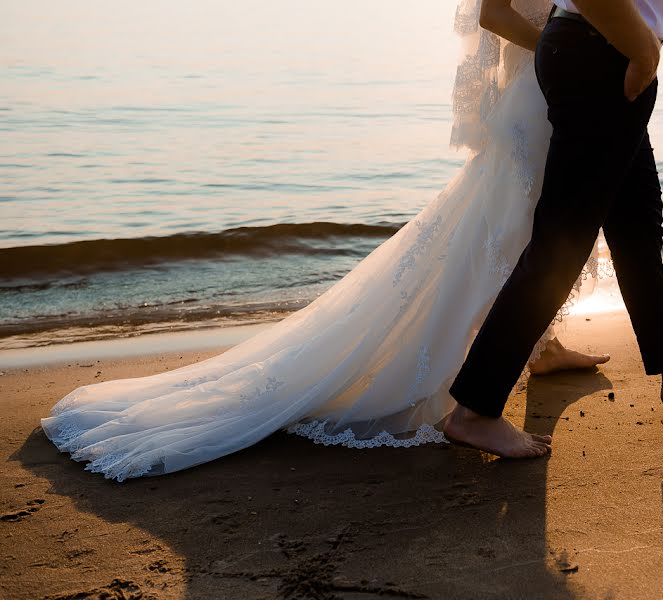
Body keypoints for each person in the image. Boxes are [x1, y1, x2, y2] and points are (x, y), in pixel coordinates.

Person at [41, 0, 611, 482]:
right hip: (545, 82)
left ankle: (542, 346)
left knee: (536, 224)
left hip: (550, 87)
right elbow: (493, 12)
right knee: (518, 229)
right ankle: (483, 391)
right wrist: (566, 49)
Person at [443, 0, 663, 459]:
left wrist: (640, 48)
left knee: (637, 225)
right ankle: (474, 410)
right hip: (604, 52)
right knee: (560, 246)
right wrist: (643, 52)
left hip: (607, 49)